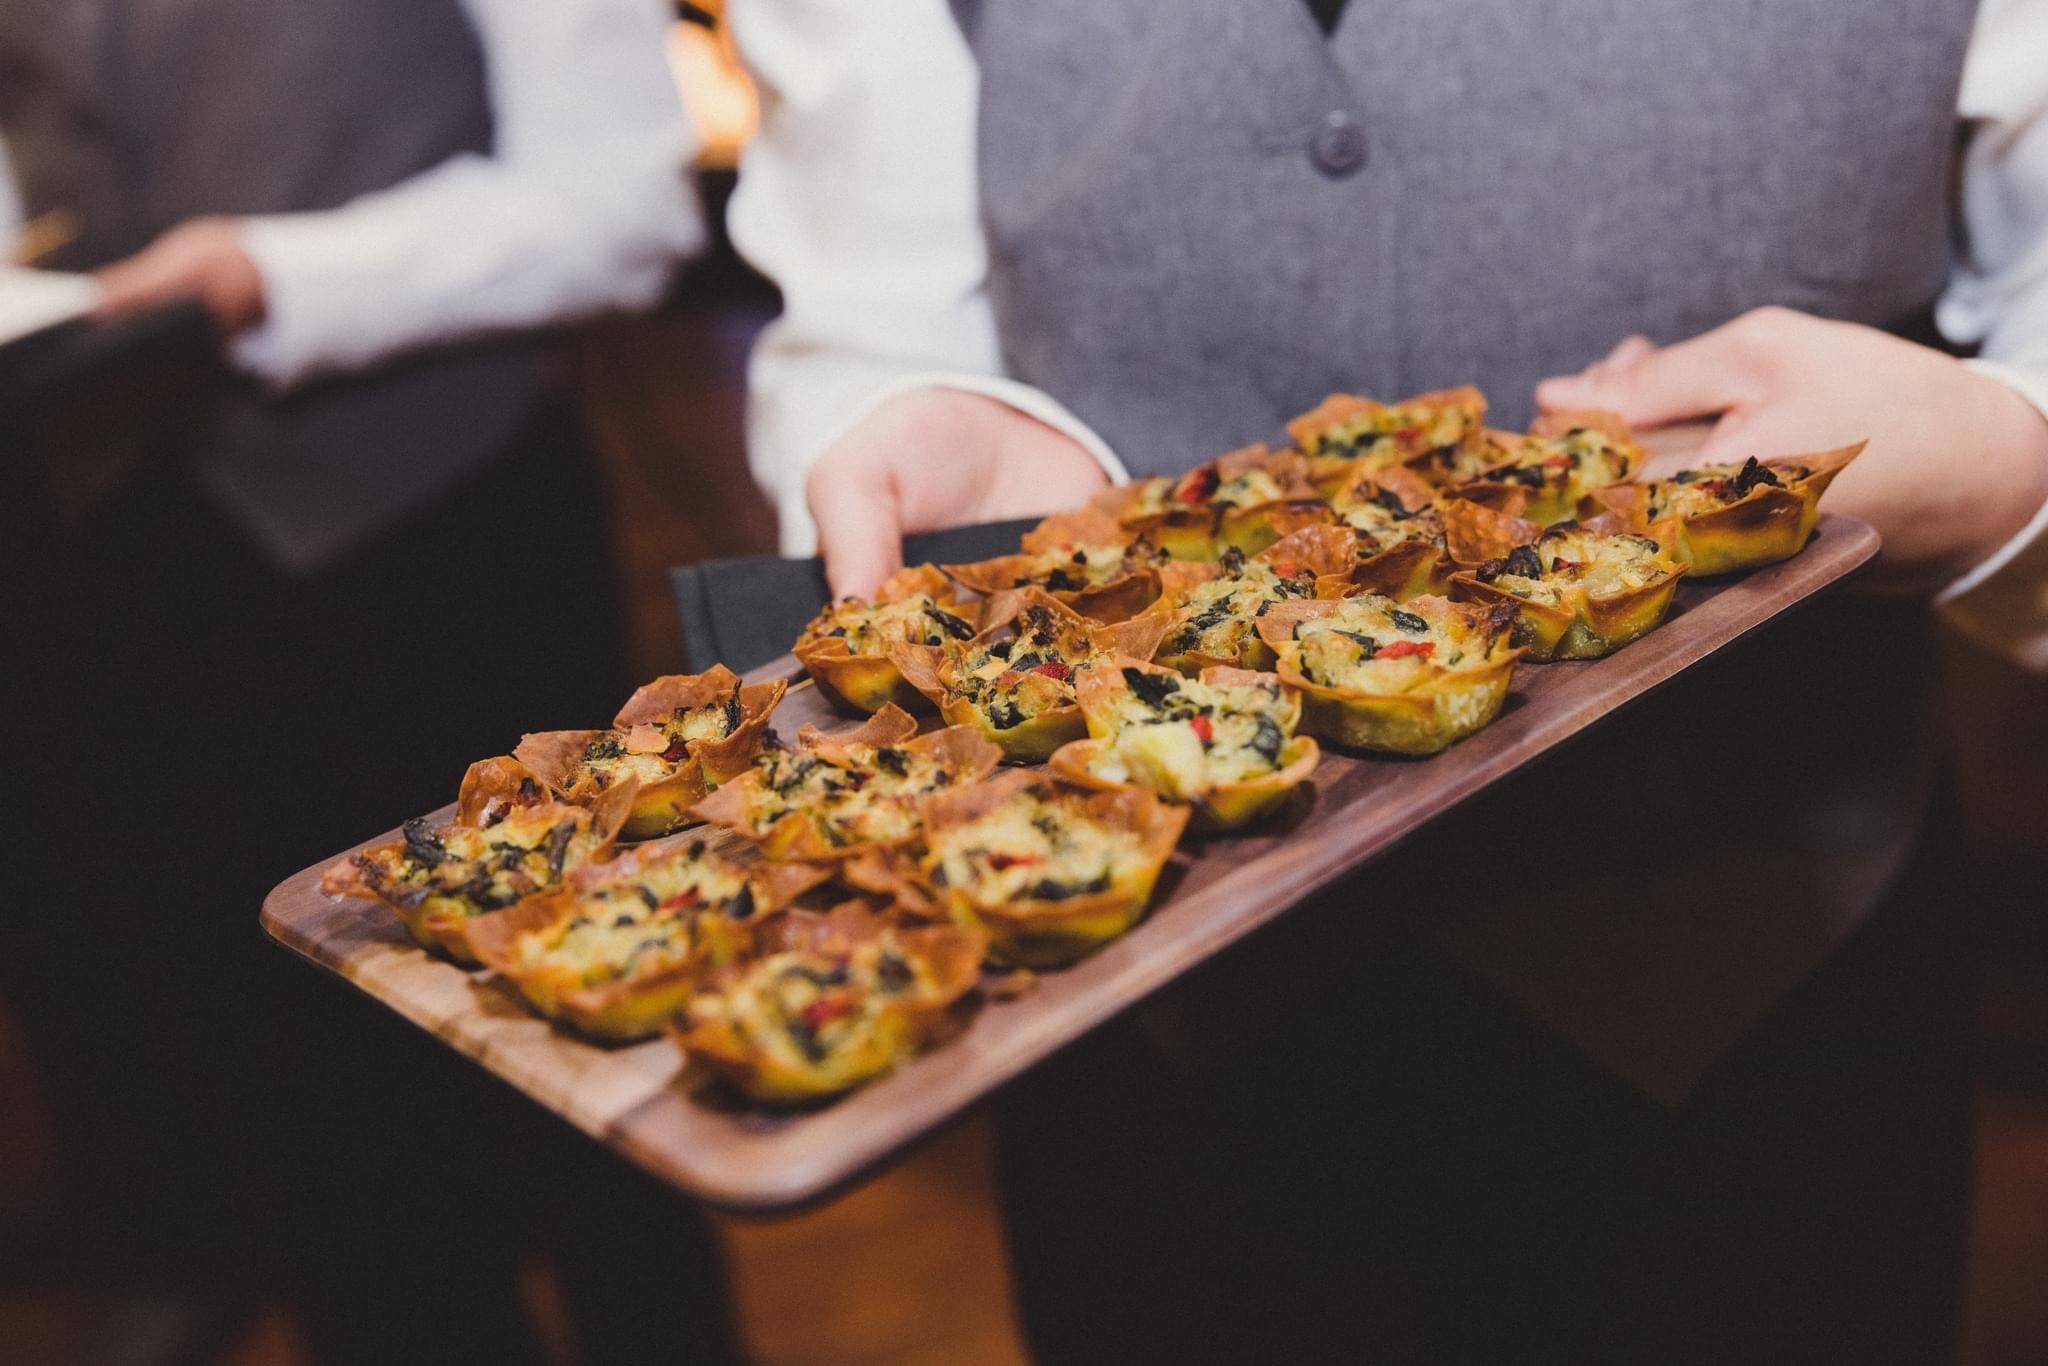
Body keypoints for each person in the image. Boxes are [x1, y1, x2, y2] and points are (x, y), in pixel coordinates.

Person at [730, 1, 2048, 1361]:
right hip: (1130, 1007)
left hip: (1763, 973)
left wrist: (2017, 452)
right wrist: (924, 419)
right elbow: (865, 283)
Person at [0, 3, 739, 1363]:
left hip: (445, 530)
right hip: (119, 556)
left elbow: (622, 203)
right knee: (313, 1158)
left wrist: (270, 274)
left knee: (589, 1111)